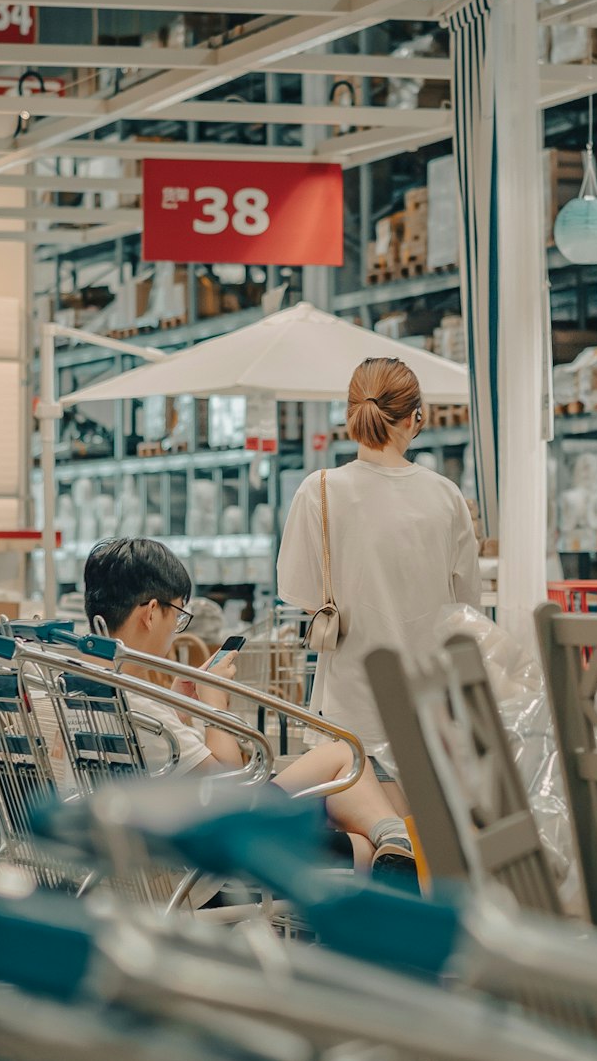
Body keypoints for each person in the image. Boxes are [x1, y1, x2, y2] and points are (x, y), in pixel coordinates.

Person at [82, 538, 416, 879]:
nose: (175, 629)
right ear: (151, 613)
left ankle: (395, 838)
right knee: (345, 757)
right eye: (178, 615)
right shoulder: (136, 704)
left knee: (351, 802)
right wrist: (215, 698)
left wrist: (177, 704)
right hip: (206, 856)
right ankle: (402, 842)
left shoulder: (84, 689)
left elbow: (160, 758)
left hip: (135, 850)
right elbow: (229, 787)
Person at [277, 357, 483, 774]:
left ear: (350, 412)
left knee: (363, 828)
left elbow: (299, 591)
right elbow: (467, 605)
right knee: (423, 831)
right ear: (415, 418)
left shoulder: (318, 491)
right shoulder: (446, 497)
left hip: (352, 707)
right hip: (430, 707)